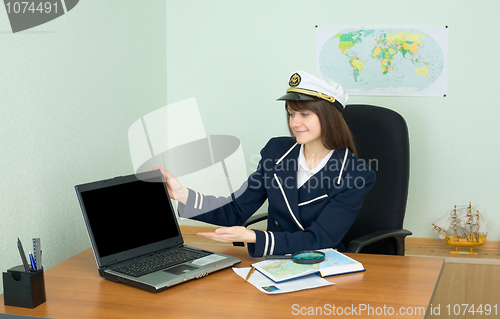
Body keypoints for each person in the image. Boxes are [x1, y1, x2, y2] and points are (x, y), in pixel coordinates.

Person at [159, 70, 376, 258]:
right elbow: (236, 210)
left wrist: (254, 236)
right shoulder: (276, 152)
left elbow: (321, 238)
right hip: (274, 261)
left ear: (329, 118)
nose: (294, 123)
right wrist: (182, 194)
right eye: (291, 113)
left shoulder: (356, 173)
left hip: (321, 261)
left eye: (304, 114)